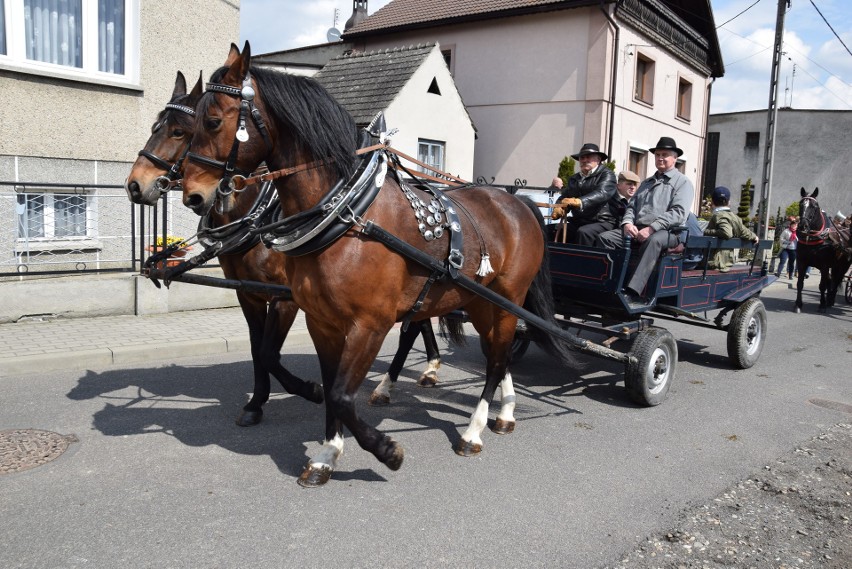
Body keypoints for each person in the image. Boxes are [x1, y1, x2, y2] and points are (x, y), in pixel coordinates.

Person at [595, 136, 695, 306]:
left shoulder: (683, 182)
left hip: (668, 232)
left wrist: (652, 228)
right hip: (637, 228)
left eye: (665, 155)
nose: (660, 158)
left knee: (652, 241)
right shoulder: (647, 182)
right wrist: (627, 224)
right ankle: (610, 282)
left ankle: (634, 291)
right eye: (657, 155)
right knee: (605, 237)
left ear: (675, 158)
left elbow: (678, 213)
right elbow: (631, 207)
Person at [550, 143, 617, 245]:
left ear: (598, 159)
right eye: (582, 158)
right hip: (579, 221)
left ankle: (583, 261)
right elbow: (564, 196)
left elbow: (602, 193)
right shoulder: (574, 178)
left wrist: (579, 201)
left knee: (584, 232)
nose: (584, 160)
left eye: (588, 157)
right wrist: (559, 206)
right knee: (552, 229)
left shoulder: (607, 174)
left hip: (602, 221)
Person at [702, 186, 759, 272]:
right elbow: (743, 231)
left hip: (713, 263)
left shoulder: (718, 215)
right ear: (728, 202)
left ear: (712, 202)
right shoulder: (735, 217)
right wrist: (754, 237)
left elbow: (726, 233)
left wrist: (707, 231)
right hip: (727, 262)